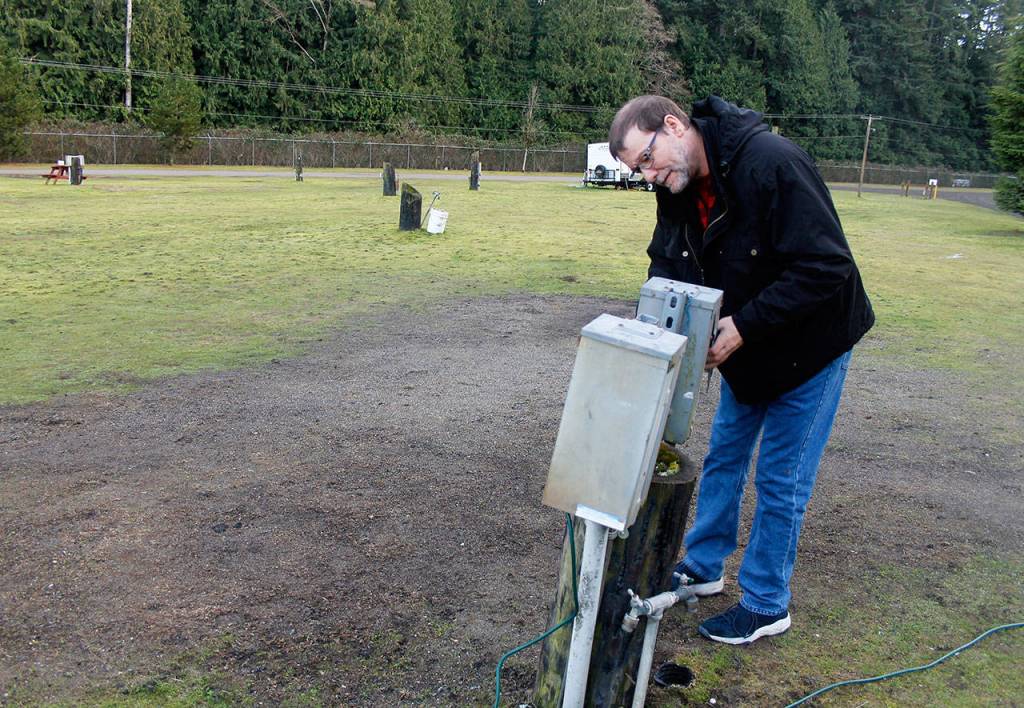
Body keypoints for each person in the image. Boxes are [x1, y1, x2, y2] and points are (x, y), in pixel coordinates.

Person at [609, 95, 874, 644]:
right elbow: (667, 261)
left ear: (674, 126)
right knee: (724, 455)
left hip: (812, 346)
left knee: (781, 479)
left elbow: (828, 264)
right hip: (746, 346)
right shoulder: (677, 188)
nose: (649, 176)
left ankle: (766, 602)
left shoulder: (773, 162)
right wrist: (663, 325)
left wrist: (743, 326)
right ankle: (704, 568)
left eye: (648, 160)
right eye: (638, 171)